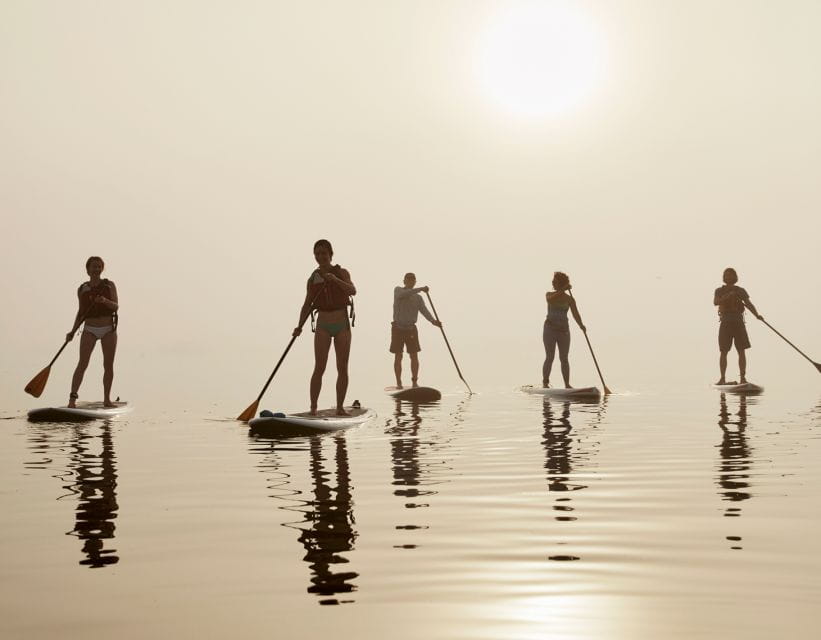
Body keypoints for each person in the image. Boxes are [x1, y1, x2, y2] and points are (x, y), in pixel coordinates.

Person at [294, 239, 356, 416]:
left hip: (341, 324)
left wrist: (335, 279)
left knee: (342, 367)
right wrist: (298, 326)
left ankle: (339, 407)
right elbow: (307, 305)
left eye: (324, 253)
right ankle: (313, 408)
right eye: (317, 254)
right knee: (319, 367)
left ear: (330, 254)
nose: (321, 257)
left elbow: (352, 290)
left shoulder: (342, 272)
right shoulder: (313, 278)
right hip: (323, 325)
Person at [66, 256, 119, 407]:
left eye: (98, 267)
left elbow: (116, 306)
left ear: (102, 269)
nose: (96, 269)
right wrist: (72, 331)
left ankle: (107, 400)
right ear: (87, 269)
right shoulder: (82, 288)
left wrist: (104, 301)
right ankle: (72, 401)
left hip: (108, 329)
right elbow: (81, 312)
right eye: (93, 267)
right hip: (89, 329)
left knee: (108, 365)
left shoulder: (109, 285)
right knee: (82, 364)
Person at [391, 273, 441, 388]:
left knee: (414, 355)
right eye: (408, 280)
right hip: (398, 328)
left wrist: (433, 321)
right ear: (404, 281)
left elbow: (424, 311)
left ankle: (414, 382)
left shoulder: (418, 297)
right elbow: (405, 293)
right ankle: (399, 383)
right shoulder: (398, 290)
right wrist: (421, 289)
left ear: (415, 282)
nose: (410, 282)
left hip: (411, 329)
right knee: (398, 355)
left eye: (413, 280)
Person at [714, 267, 762, 385]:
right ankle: (722, 378)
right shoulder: (719, 291)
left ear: (735, 277)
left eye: (731, 275)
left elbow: (749, 304)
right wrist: (727, 296)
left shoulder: (741, 291)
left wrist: (757, 315)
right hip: (725, 323)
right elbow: (716, 302)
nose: (729, 277)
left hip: (738, 323)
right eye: (726, 275)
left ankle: (743, 378)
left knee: (741, 350)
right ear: (724, 278)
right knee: (724, 351)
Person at [543, 272, 585, 388]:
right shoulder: (549, 294)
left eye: (555, 281)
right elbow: (550, 300)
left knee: (564, 358)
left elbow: (575, 314)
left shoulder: (570, 299)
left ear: (560, 283)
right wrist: (563, 290)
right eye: (553, 281)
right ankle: (545, 383)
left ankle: (567, 385)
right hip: (550, 329)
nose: (552, 282)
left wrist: (581, 325)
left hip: (563, 331)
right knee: (550, 356)